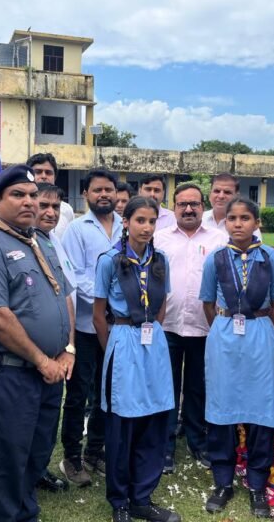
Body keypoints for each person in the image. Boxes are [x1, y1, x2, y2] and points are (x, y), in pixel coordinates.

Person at [0, 165, 75, 522]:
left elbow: (63, 296)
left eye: (32, 195)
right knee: (7, 459)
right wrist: (43, 360)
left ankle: (25, 513)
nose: (29, 202)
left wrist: (66, 349)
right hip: (9, 373)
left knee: (38, 451)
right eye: (18, 195)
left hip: (48, 371)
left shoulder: (41, 240)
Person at [199, 197, 274, 519]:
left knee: (260, 409)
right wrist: (223, 327)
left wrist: (263, 329)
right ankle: (223, 481)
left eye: (245, 218)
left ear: (256, 223)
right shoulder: (216, 259)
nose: (238, 223)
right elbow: (207, 302)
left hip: (260, 337)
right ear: (226, 223)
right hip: (223, 338)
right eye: (232, 218)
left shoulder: (271, 258)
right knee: (222, 408)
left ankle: (257, 483)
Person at [94, 196, 179, 522]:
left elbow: (161, 307)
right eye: (139, 220)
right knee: (123, 425)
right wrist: (114, 346)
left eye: (152, 221)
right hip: (123, 341)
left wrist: (152, 332)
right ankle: (120, 502)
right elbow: (99, 315)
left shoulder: (161, 261)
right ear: (125, 222)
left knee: (154, 419)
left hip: (153, 341)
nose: (146, 227)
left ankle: (142, 496)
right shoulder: (110, 261)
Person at [154, 183, 227, 475]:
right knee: (167, 387)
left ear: (202, 206)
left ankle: (198, 441)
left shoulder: (219, 240)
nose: (188, 209)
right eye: (182, 204)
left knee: (198, 388)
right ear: (174, 207)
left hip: (204, 327)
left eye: (194, 204)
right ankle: (166, 445)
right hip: (167, 325)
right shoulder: (159, 240)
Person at [60, 168, 122, 487]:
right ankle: (71, 455)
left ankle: (95, 450)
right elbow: (74, 274)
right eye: (97, 190)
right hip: (85, 325)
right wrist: (105, 297)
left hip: (115, 328)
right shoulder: (76, 229)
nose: (103, 195)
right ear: (86, 194)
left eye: (108, 190)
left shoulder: (125, 226)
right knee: (78, 393)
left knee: (106, 393)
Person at [34, 182, 78, 493]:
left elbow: (65, 295)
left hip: (58, 352)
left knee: (47, 420)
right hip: (30, 354)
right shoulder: (23, 242)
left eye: (55, 206)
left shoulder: (51, 241)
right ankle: (24, 478)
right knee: (26, 422)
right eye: (43, 205)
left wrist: (70, 346)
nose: (50, 212)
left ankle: (38, 470)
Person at [27, 152, 75, 237]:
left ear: (55, 177)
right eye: (38, 172)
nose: (44, 176)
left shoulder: (67, 210)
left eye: (48, 173)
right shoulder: (22, 206)